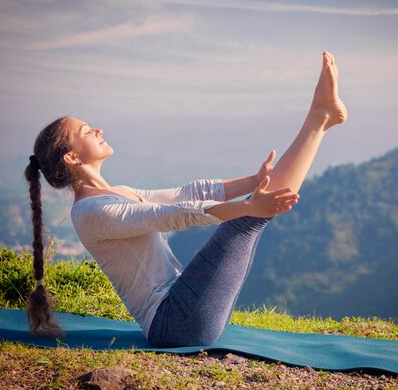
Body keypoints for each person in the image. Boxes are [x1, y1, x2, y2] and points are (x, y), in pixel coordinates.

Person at [24, 52, 347, 346]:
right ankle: (318, 120)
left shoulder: (116, 194)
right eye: (85, 131)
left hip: (181, 309)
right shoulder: (91, 212)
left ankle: (320, 119)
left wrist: (253, 181)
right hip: (175, 324)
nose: (97, 129)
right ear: (72, 158)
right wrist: (248, 206)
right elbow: (175, 214)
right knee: (246, 221)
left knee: (250, 213)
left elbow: (186, 194)